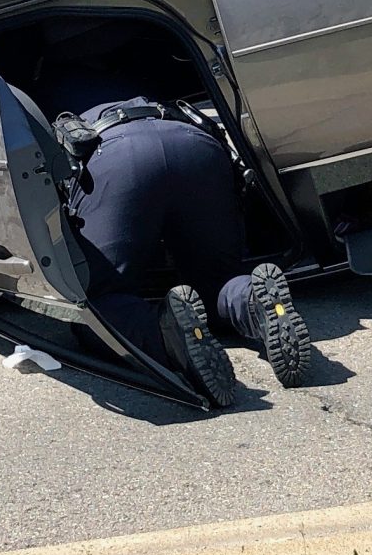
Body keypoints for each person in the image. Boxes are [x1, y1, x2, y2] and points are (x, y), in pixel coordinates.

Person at [26, 28, 315, 404]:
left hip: (113, 155)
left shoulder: (38, 82)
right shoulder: (137, 67)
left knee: (99, 305)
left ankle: (168, 333)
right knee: (218, 279)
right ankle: (254, 303)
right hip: (194, 144)